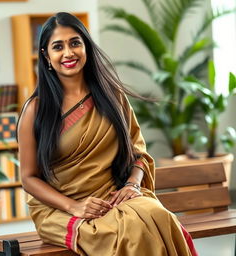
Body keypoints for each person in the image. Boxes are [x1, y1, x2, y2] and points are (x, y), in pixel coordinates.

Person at [17, 12, 198, 256]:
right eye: (58, 46)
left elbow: (137, 152)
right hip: (61, 208)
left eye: (75, 43)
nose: (68, 53)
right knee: (131, 231)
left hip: (113, 196)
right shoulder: (36, 109)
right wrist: (75, 206)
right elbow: (28, 178)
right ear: (46, 55)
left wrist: (133, 185)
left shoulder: (112, 97)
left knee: (159, 216)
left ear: (86, 48)